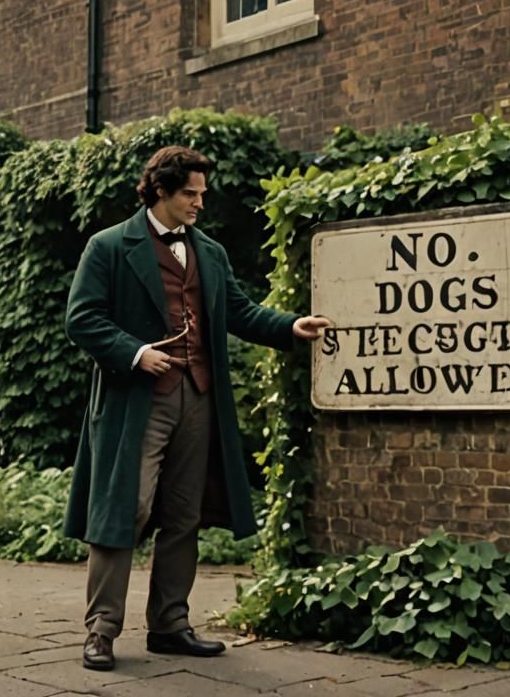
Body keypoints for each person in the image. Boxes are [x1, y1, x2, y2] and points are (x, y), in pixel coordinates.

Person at [63, 145, 330, 671]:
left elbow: (238, 311)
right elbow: (82, 318)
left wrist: (289, 326)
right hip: (137, 401)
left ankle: (170, 625)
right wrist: (136, 353)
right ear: (160, 190)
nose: (199, 203)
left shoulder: (209, 251)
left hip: (199, 397)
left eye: (202, 194)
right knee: (126, 510)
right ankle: (101, 630)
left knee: (184, 514)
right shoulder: (109, 246)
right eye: (190, 193)